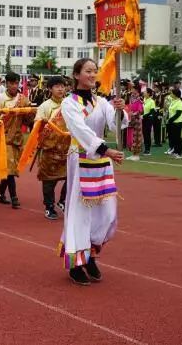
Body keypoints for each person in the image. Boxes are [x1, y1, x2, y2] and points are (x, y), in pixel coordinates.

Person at [59, 58, 127, 286]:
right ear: (77, 75)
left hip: (102, 161)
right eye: (88, 71)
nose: (92, 74)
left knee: (107, 214)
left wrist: (120, 111)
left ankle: (91, 254)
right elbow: (79, 130)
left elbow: (117, 124)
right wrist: (105, 149)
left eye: (94, 71)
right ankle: (78, 262)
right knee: (80, 213)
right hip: (81, 159)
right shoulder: (69, 103)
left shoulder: (101, 102)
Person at [0, 72, 32, 208]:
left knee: (11, 169)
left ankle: (1, 194)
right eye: (11, 83)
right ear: (6, 84)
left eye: (16, 83)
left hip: (17, 139)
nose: (14, 86)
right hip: (3, 138)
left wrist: (29, 112)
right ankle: (14, 197)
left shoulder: (23, 99)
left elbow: (28, 120)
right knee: (10, 169)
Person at [34, 76, 70, 220]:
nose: (61, 89)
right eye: (57, 86)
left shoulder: (69, 104)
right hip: (50, 148)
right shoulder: (45, 106)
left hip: (67, 147)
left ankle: (63, 200)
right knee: (49, 180)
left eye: (63, 86)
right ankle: (49, 206)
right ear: (50, 89)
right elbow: (37, 125)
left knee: (72, 177)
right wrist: (43, 123)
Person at [126, 86, 143, 161]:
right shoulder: (131, 98)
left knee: (136, 137)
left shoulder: (139, 99)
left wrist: (134, 113)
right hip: (131, 119)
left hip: (136, 120)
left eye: (133, 89)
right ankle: (133, 153)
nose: (132, 90)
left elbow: (140, 110)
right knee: (131, 137)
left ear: (136, 90)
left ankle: (136, 155)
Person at [167, 89, 182, 159]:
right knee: (173, 138)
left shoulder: (180, 103)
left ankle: (179, 153)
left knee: (177, 138)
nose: (170, 94)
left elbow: (178, 114)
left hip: (177, 123)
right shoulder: (173, 101)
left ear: (175, 94)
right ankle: (175, 151)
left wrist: (170, 120)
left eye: (171, 93)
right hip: (171, 122)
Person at [142, 89, 156, 156]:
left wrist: (144, 115)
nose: (144, 93)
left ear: (149, 94)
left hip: (148, 119)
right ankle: (145, 148)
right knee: (144, 134)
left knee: (147, 134)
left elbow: (152, 111)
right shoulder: (144, 100)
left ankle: (148, 149)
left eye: (145, 92)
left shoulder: (152, 101)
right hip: (143, 119)